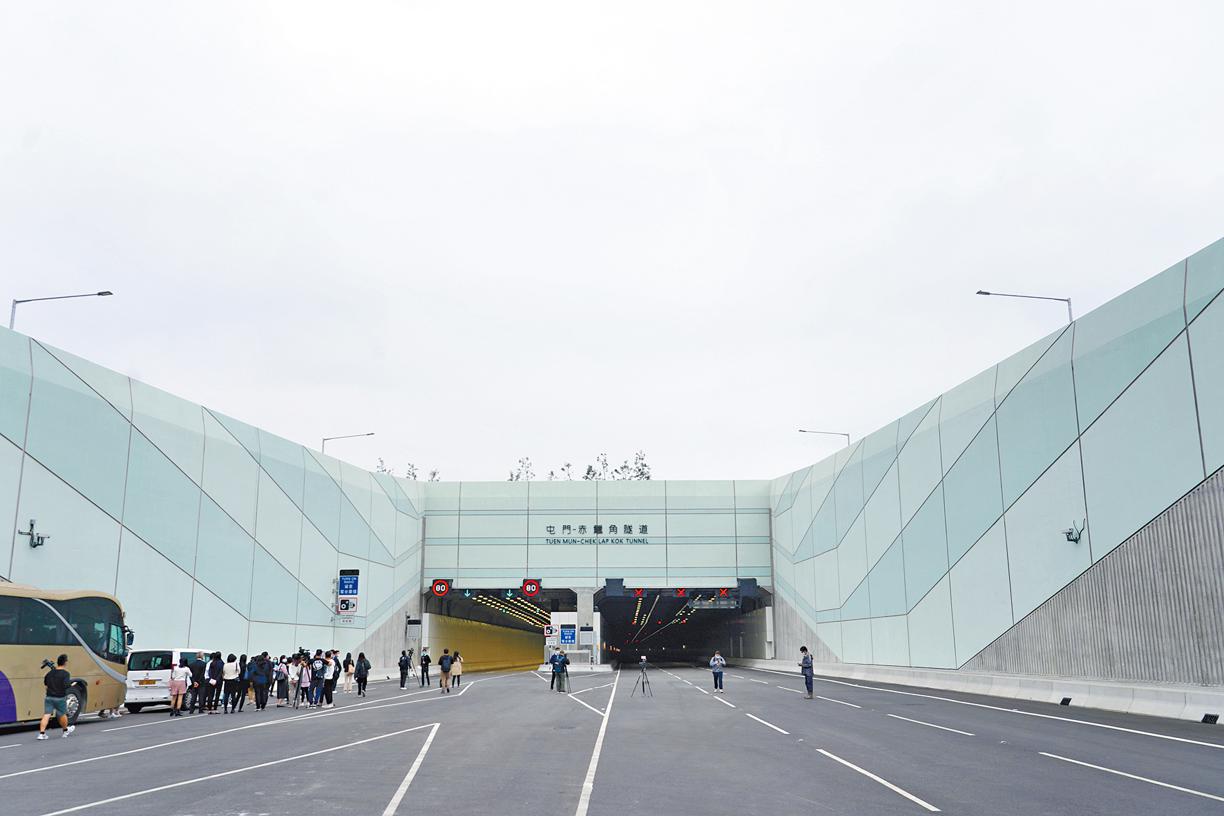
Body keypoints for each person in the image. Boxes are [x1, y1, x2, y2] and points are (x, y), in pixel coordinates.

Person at [37, 654, 74, 740]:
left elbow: (46, 684)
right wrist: (72, 684)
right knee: (62, 714)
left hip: (49, 697)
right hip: (60, 697)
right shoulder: (65, 674)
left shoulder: (49, 673)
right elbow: (66, 685)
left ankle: (41, 734)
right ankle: (65, 731)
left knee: (46, 715)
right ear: (65, 662)